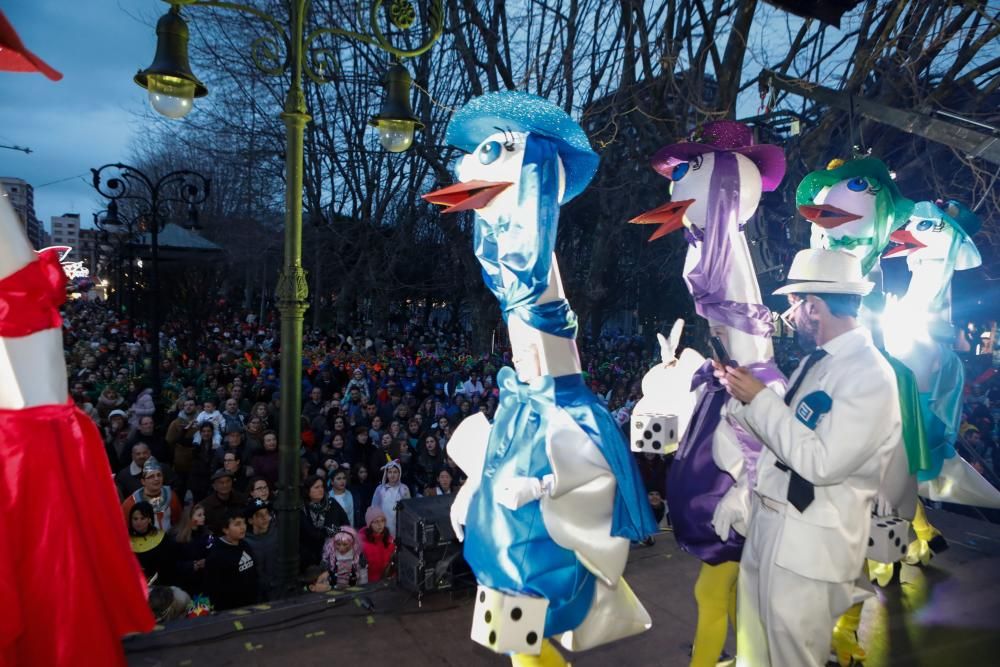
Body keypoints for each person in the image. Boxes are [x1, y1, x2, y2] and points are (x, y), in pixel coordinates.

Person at [714, 249, 910, 667]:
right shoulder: (815, 362)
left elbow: (822, 463)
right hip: (772, 528)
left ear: (815, 307)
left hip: (810, 544)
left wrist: (761, 400)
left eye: (795, 303)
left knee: (793, 657)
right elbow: (783, 438)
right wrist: (740, 396)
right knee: (756, 648)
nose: (792, 314)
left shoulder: (870, 374)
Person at [205, 507, 259, 610]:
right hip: (231, 610)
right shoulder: (216, 556)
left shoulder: (245, 544)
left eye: (243, 523)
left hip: (251, 604)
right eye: (237, 524)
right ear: (225, 529)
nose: (243, 527)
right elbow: (213, 589)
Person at [300, 474, 350, 569]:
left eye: (322, 486)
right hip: (309, 557)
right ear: (308, 491)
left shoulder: (332, 503)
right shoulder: (302, 509)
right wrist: (328, 532)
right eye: (316, 487)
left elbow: (345, 524)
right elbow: (308, 533)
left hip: (335, 552)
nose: (320, 489)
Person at [121, 459, 183, 532]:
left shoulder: (170, 495)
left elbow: (177, 521)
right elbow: (125, 528)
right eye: (151, 476)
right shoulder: (131, 503)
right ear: (143, 481)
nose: (156, 479)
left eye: (159, 475)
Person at [128, 501, 177, 585]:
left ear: (149, 519)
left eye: (142, 518)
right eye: (135, 519)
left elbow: (169, 566)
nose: (138, 522)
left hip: (159, 586)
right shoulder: (125, 540)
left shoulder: (162, 538)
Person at [173, 503, 213, 597]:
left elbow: (214, 553)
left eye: (203, 515)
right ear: (189, 518)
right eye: (199, 515)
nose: (203, 517)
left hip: (204, 581)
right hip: (186, 584)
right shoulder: (177, 539)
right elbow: (173, 563)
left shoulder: (208, 535)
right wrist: (191, 565)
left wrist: (207, 561)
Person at [244, 498, 281, 601]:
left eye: (266, 513)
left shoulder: (277, 533)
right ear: (250, 520)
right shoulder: (245, 542)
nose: (265, 518)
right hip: (256, 594)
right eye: (260, 515)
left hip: (278, 590)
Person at [200, 469, 248, 535]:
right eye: (221, 482)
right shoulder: (206, 505)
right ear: (214, 486)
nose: (225, 485)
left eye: (228, 481)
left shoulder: (242, 499)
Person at [371, 460, 410, 538]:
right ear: (386, 474)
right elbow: (374, 508)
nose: (392, 475)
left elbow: (408, 510)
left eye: (395, 472)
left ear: (399, 474)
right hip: (382, 525)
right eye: (390, 472)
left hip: (399, 525)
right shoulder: (380, 489)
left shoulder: (404, 489)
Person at [359, 506, 395, 583]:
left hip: (387, 584)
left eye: (382, 521)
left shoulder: (390, 540)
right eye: (376, 521)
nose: (380, 524)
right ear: (369, 524)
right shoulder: (362, 543)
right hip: (369, 584)